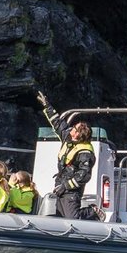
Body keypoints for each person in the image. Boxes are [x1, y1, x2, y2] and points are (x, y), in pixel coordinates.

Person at [37, 91, 94, 219]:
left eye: (75, 132)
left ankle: (92, 212)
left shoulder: (86, 153)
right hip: (60, 184)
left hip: (72, 190)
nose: (72, 132)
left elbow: (84, 175)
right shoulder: (68, 136)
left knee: (72, 218)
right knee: (60, 216)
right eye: (73, 129)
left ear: (80, 136)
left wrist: (66, 186)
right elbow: (57, 123)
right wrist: (47, 106)